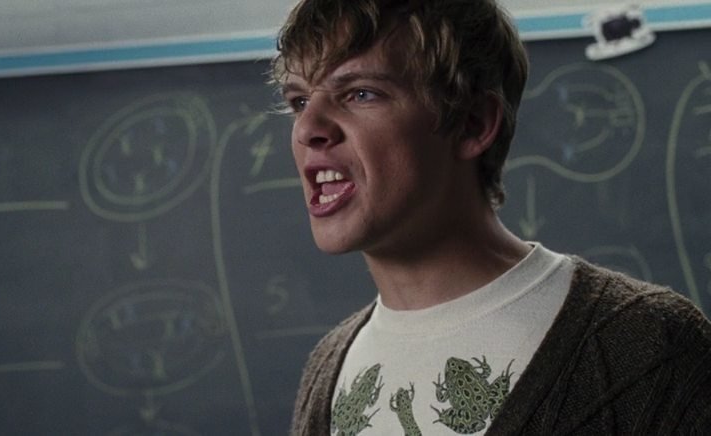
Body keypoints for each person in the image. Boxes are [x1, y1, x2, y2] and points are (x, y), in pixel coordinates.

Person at [270, 0, 711, 434]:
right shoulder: (327, 368)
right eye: (300, 101)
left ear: (474, 124)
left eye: (361, 94)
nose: (308, 129)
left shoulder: (651, 350)